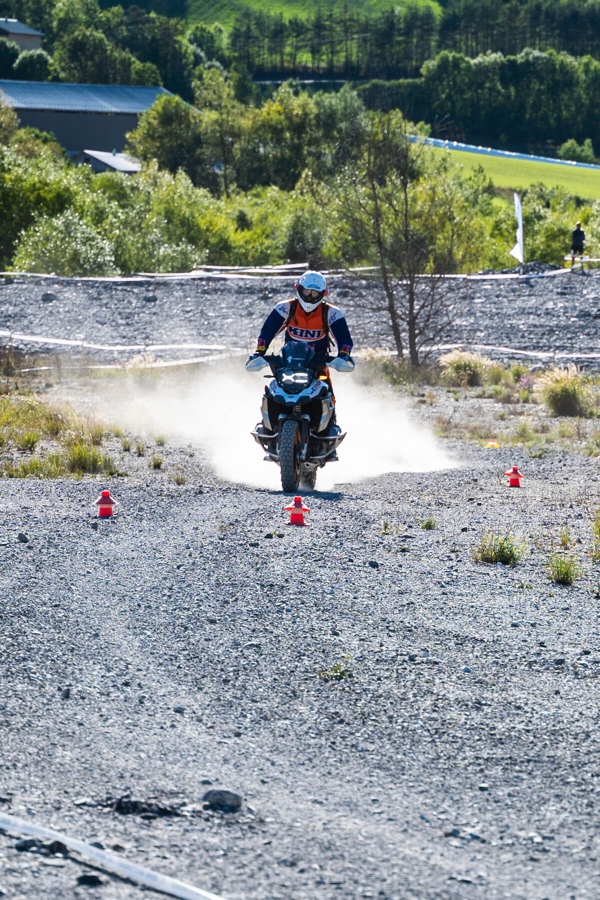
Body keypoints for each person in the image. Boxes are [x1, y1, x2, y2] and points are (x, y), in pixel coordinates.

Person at [249, 270, 354, 458]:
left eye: (315, 294)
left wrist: (344, 355)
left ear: (323, 294)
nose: (310, 297)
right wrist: (260, 352)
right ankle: (268, 426)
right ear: (299, 289)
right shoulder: (285, 308)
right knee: (272, 391)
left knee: (328, 393)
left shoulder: (331, 313)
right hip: (288, 363)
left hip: (317, 365)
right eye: (307, 292)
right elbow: (267, 331)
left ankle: (330, 432)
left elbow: (344, 338)